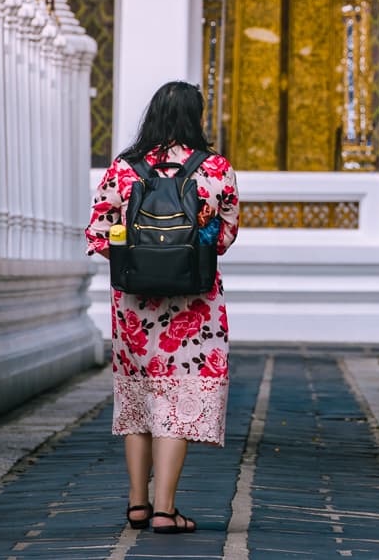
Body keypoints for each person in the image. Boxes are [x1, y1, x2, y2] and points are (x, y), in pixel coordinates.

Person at [85, 80, 240, 535]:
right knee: (178, 397)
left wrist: (139, 255)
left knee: (138, 399)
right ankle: (165, 509)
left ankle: (137, 503)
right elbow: (225, 238)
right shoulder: (215, 169)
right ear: (197, 117)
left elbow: (98, 233)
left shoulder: (123, 169)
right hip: (194, 306)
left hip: (133, 305)